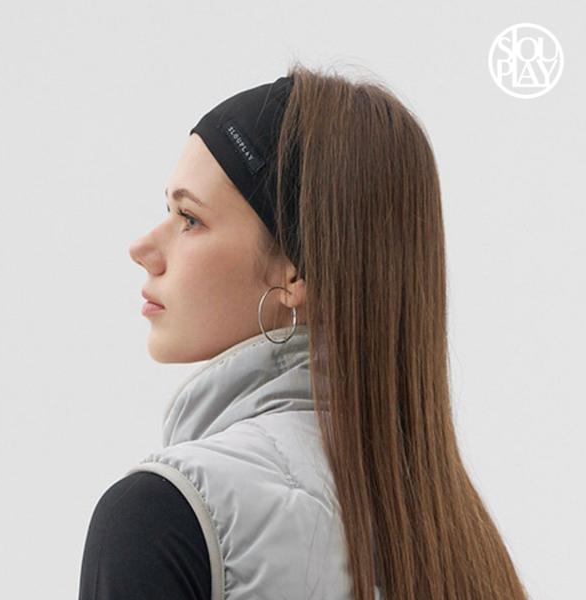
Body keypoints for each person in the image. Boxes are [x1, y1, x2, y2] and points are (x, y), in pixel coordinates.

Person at [78, 63, 532, 600]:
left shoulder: (162, 516)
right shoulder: (463, 543)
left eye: (189, 218)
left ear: (295, 271)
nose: (143, 249)